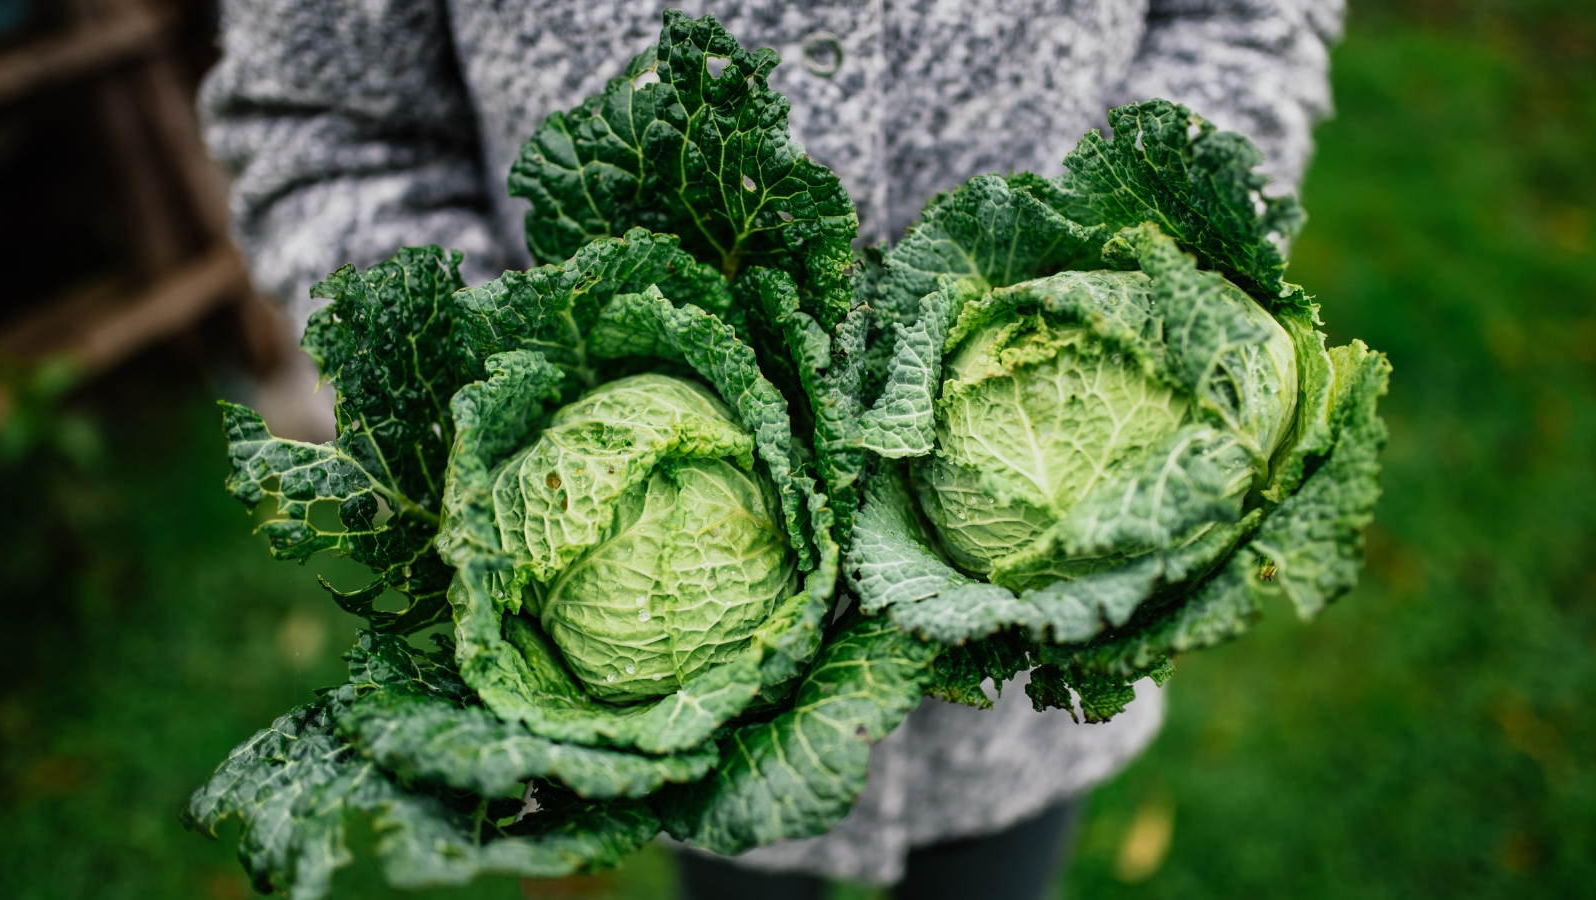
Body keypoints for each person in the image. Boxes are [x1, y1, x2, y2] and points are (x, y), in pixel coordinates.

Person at [201, 2, 1343, 896]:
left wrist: (1147, 271)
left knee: (1005, 860)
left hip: (1055, 609)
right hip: (680, 702)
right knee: (729, 858)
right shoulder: (636, 654)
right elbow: (323, 121)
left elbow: (1245, 17)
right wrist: (516, 390)